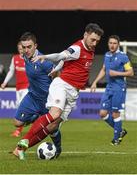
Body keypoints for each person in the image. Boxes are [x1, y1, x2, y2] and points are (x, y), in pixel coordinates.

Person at [13, 23, 104, 160]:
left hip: (73, 92)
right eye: (92, 39)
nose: (95, 43)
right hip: (63, 85)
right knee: (54, 114)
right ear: (85, 35)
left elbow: (65, 60)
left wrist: (56, 68)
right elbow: (62, 55)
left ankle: (21, 150)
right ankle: (24, 141)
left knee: (52, 126)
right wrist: (47, 57)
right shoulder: (77, 48)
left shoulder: (89, 49)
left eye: (97, 41)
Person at [11, 32, 62, 159]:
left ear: (35, 46)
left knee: (52, 128)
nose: (26, 50)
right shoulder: (24, 56)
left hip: (47, 100)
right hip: (32, 97)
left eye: (29, 46)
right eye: (24, 47)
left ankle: (58, 148)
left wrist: (56, 91)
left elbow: (57, 74)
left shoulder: (44, 62)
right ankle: (35, 118)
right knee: (17, 123)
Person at [90, 35, 134, 145]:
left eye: (114, 43)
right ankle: (120, 131)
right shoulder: (107, 55)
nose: (112, 45)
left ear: (118, 45)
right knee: (102, 113)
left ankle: (116, 140)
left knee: (115, 114)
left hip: (119, 88)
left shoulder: (123, 57)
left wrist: (117, 73)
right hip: (109, 88)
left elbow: (131, 72)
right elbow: (104, 69)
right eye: (110, 43)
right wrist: (95, 82)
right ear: (108, 44)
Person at [1, 42, 29, 137]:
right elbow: (11, 71)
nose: (21, 51)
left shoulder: (30, 59)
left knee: (21, 107)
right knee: (20, 107)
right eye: (20, 49)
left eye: (23, 48)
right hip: (18, 88)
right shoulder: (15, 58)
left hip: (28, 87)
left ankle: (18, 131)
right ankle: (34, 121)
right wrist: (5, 82)